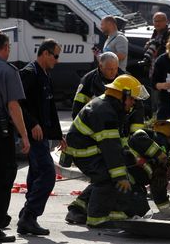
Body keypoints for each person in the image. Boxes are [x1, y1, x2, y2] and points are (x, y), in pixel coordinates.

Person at [64, 75, 150, 228]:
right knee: (109, 177)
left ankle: (79, 208)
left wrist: (131, 160)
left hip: (92, 149)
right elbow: (110, 149)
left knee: (108, 175)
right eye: (132, 99)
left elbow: (118, 143)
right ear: (122, 95)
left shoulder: (111, 107)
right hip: (85, 153)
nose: (133, 103)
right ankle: (97, 218)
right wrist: (120, 177)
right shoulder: (105, 112)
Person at [17, 39, 67, 236]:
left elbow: (50, 107)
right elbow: (17, 103)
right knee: (47, 174)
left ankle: (28, 219)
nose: (57, 60)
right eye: (55, 56)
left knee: (37, 175)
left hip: (43, 136)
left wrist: (57, 135)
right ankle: (28, 215)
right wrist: (32, 124)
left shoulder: (45, 74)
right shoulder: (29, 73)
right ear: (45, 53)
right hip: (33, 135)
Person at [0, 32, 30, 243]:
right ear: (5, 47)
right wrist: (24, 135)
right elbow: (13, 106)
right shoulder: (8, 71)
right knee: (1, 178)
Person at [72, 52, 121, 118]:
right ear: (100, 66)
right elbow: (77, 107)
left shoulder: (124, 77)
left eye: (116, 68)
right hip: (95, 119)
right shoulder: (88, 80)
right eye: (110, 69)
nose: (113, 72)